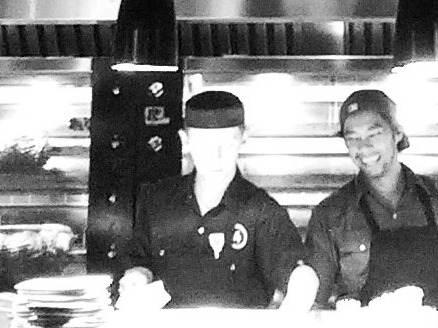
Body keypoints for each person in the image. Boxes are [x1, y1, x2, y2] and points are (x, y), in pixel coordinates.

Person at [304, 87, 438, 328]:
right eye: (352, 138)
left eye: (374, 134)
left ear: (397, 133)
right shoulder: (330, 214)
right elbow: (313, 305)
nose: (363, 147)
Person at [119, 90, 318, 311]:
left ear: (244, 138)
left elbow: (295, 270)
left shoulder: (262, 211)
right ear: (185, 140)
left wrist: (302, 288)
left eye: (227, 144)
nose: (216, 156)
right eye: (204, 144)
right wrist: (137, 277)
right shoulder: (157, 201)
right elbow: (138, 260)